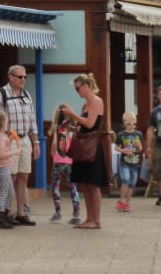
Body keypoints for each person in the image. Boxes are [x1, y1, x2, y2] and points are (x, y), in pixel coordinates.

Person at [0, 64, 40, 226]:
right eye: (20, 77)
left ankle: (20, 213)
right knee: (10, 176)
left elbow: (32, 119)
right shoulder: (1, 94)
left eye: (25, 77)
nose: (23, 79)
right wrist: (0, 141)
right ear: (10, 77)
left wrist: (36, 141)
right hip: (8, 138)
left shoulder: (26, 95)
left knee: (23, 175)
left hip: (24, 139)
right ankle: (7, 212)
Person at [61, 72, 110, 229]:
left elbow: (90, 124)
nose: (77, 92)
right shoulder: (85, 105)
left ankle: (96, 220)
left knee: (93, 184)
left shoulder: (97, 101)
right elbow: (83, 126)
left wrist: (72, 114)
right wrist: (72, 126)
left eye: (78, 88)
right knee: (86, 185)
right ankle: (89, 218)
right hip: (84, 145)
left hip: (93, 147)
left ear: (87, 86)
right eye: (75, 89)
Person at [48, 105, 80, 224]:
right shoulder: (72, 128)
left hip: (58, 161)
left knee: (55, 186)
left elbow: (56, 145)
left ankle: (58, 213)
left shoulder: (58, 128)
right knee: (72, 187)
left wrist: (53, 154)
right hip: (70, 161)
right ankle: (76, 214)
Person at [113, 111, 143, 213]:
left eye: (133, 124)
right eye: (128, 124)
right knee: (126, 179)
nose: (131, 126)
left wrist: (138, 145)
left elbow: (140, 149)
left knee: (132, 183)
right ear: (124, 124)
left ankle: (127, 203)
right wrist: (123, 150)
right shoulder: (121, 134)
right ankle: (121, 200)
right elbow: (116, 147)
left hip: (135, 163)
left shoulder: (138, 134)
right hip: (124, 162)